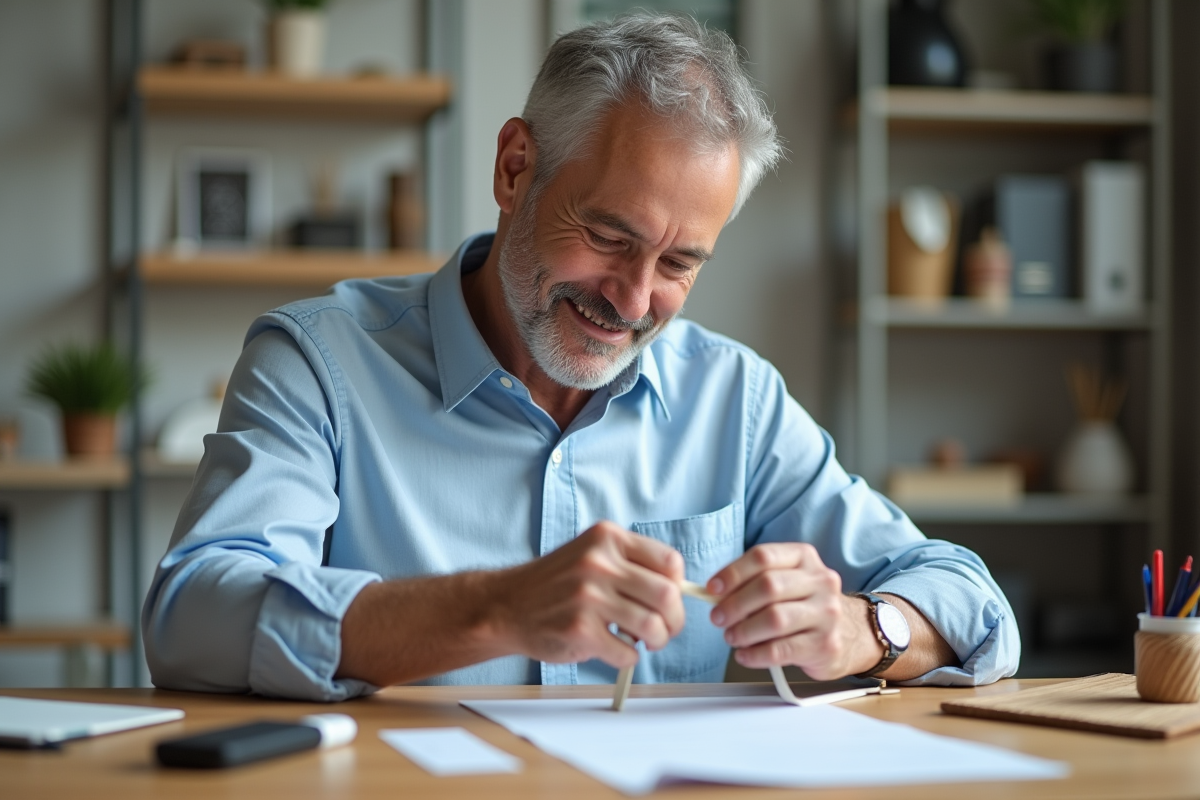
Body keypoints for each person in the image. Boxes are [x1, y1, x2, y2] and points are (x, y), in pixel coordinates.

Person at [142, 13, 1018, 701]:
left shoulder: (734, 400)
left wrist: (868, 631)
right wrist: (494, 609)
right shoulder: (318, 363)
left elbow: (972, 603)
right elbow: (192, 620)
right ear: (516, 168)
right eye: (607, 235)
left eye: (679, 264)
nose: (634, 301)